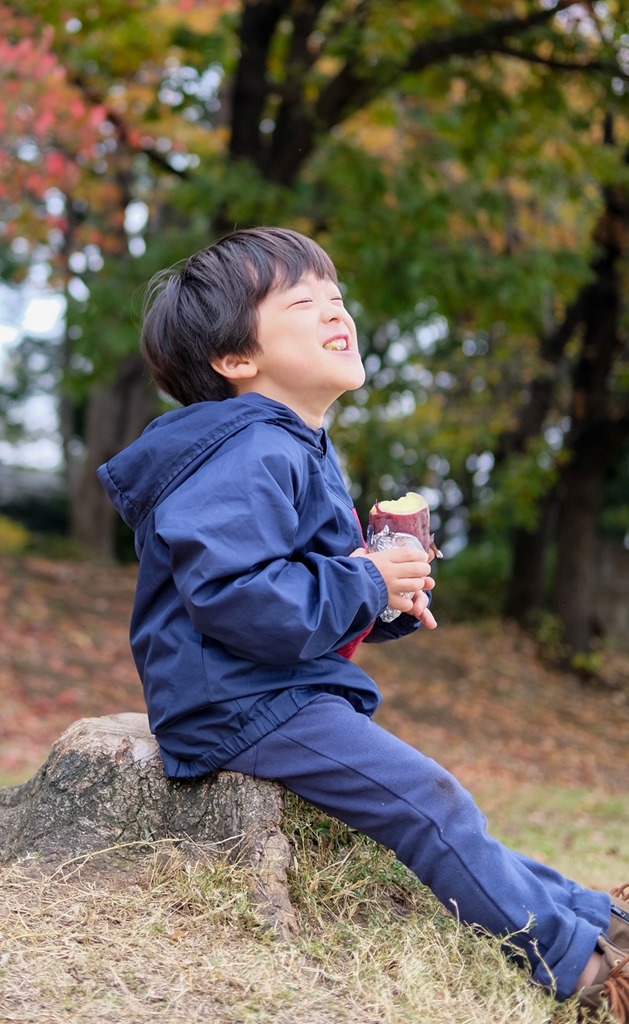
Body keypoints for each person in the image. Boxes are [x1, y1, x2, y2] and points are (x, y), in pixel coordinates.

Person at [97, 226, 629, 1020]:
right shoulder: (240, 451)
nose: (333, 311)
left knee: (435, 806)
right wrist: (362, 578)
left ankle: (599, 917)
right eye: (302, 302)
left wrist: (385, 596)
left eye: (336, 296)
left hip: (279, 684)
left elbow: (308, 599)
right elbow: (243, 600)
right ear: (238, 360)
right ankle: (580, 971)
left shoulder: (297, 445)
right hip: (237, 700)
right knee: (429, 801)